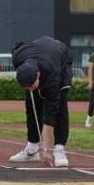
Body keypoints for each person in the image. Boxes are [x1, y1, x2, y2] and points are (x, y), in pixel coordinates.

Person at [9, 36, 72, 167]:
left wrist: (46, 150)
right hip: (40, 49)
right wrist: (32, 87)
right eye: (27, 87)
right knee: (31, 105)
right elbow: (19, 43)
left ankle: (59, 150)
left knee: (59, 108)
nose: (30, 89)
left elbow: (50, 115)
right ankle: (32, 149)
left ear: (38, 75)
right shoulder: (18, 59)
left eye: (32, 85)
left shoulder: (52, 74)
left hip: (61, 60)